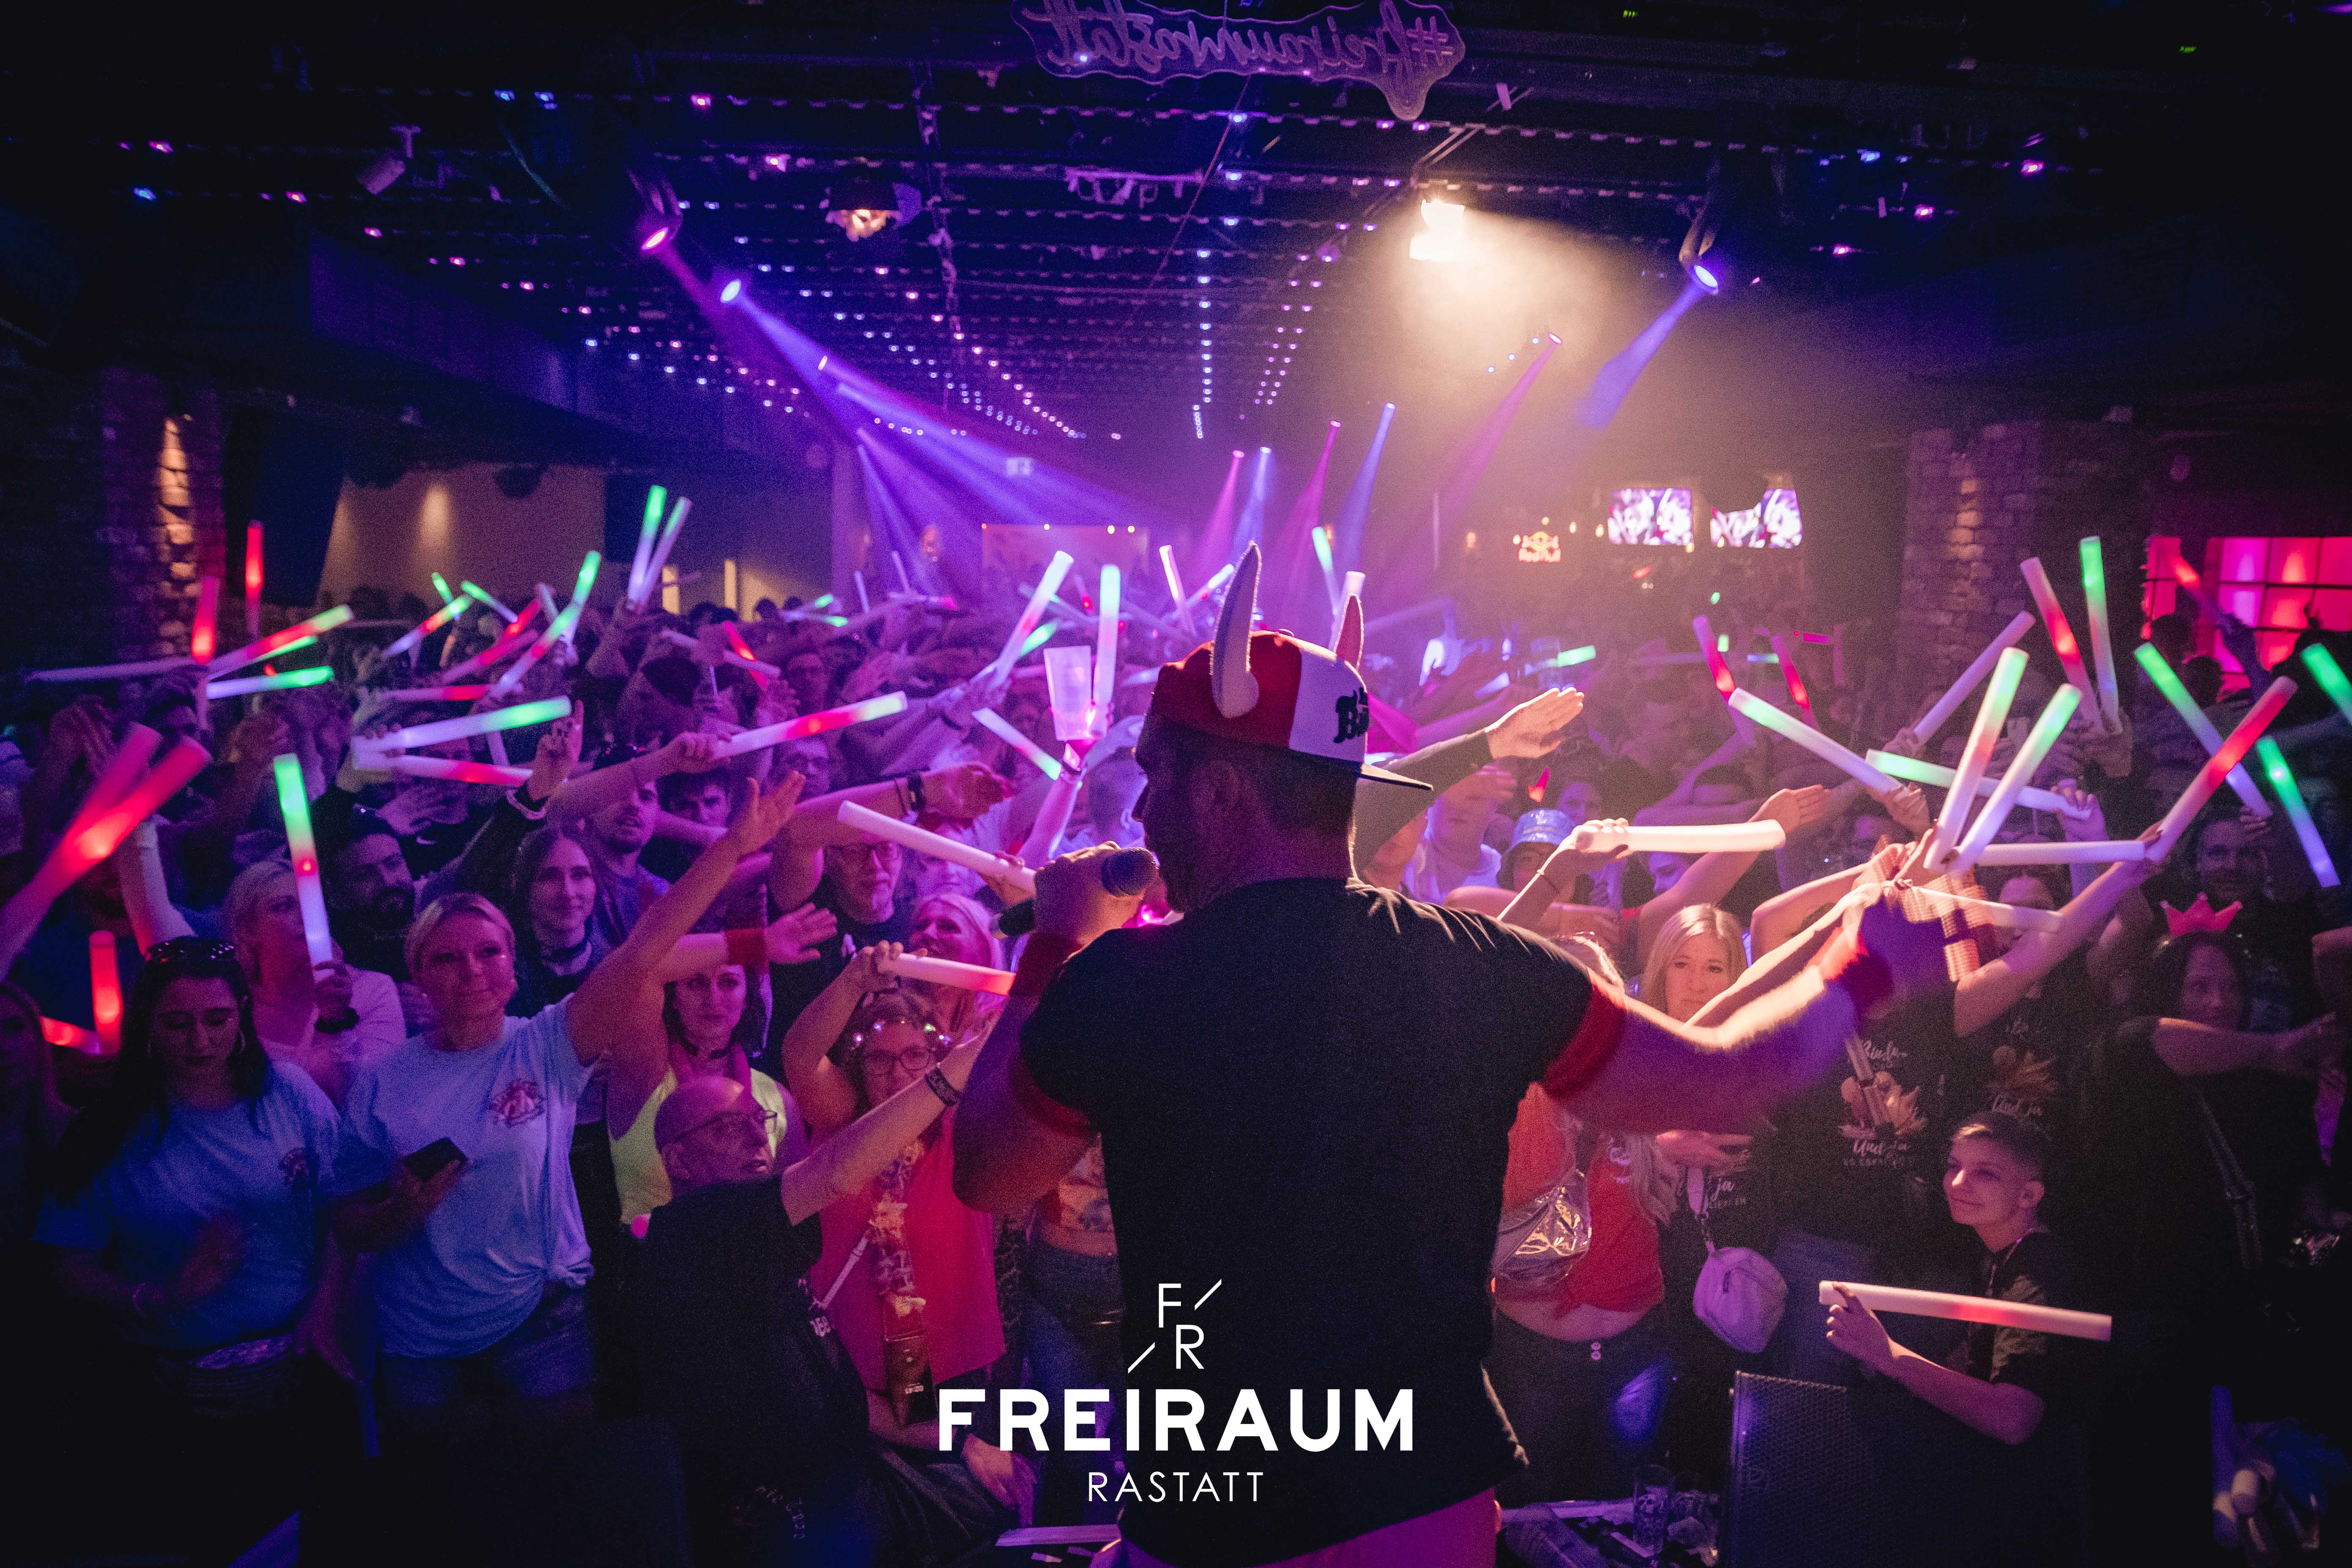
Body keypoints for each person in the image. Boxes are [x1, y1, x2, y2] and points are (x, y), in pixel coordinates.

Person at [953, 554, 1954, 1568]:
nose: (1140, 815)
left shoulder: (1125, 983)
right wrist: (1863, 964)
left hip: (1213, 1509)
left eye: (1157, 778)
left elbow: (988, 1171)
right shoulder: (1483, 966)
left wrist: (1054, 942)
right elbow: (1727, 1078)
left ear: (1218, 792)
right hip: (1418, 1510)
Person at [329, 777, 809, 1443]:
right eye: (447, 958)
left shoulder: (548, 1043)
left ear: (511, 963)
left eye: (488, 952)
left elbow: (644, 951)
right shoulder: (382, 1082)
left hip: (542, 1325)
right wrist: (398, 1214)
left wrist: (731, 847)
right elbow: (347, 1222)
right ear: (419, 974)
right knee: (447, 1498)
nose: (472, 970)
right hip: (423, 1342)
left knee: (564, 1484)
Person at [633, 1047, 1025, 1566]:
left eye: (759, 1121)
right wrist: (965, 1056)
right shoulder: (720, 1219)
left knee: (1005, 1499)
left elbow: (840, 1387)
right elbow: (835, 1170)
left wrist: (959, 1442)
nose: (756, 1138)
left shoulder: (951, 1140)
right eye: (727, 1127)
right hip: (809, 1496)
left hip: (903, 1403)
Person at [37, 938, 357, 1564]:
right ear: (148, 1026)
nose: (200, 1041)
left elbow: (342, 1210)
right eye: (178, 1023)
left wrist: (325, 1311)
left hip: (299, 1367)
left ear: (242, 1015)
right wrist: (164, 1295)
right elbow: (65, 1268)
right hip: (171, 1390)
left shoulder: (288, 1093)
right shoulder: (106, 1130)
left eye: (217, 1019)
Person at [775, 964, 1018, 1505]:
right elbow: (799, 1054)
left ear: (937, 1059)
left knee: (956, 1506)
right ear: (858, 1066)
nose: (898, 1073)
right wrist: (851, 982)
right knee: (864, 1511)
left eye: (915, 1056)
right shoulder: (840, 1120)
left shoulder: (961, 1121)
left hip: (950, 1358)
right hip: (853, 1363)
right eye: (880, 1059)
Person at [1825, 1114, 2091, 1566]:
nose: (1958, 1182)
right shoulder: (2002, 1253)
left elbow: (2013, 1419)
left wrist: (1886, 1354)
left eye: (1985, 1173)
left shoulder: (2035, 1277)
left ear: (2029, 1195)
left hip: (2029, 1516)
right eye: (1954, 1165)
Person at [316, 808, 418, 981]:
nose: (388, 882)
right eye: (365, 875)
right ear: (336, 894)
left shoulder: (436, 910)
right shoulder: (338, 961)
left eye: (393, 864)